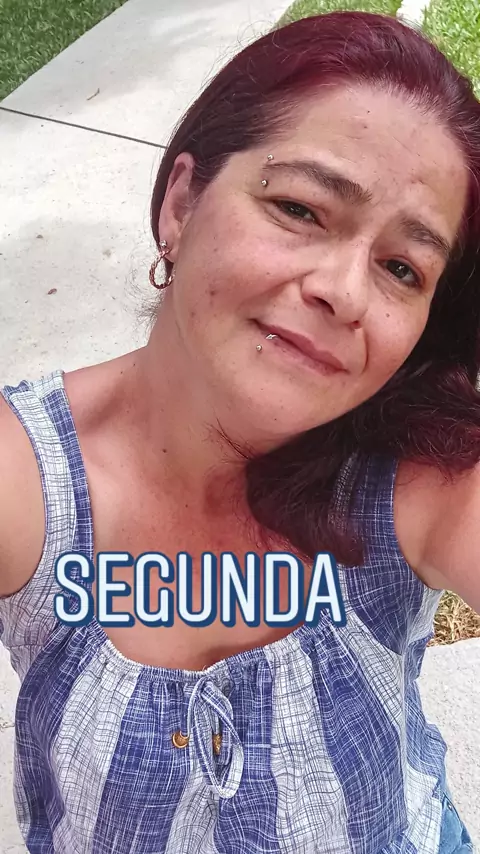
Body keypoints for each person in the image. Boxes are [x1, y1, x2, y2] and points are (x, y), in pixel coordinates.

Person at [0, 9, 479, 853]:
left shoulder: (420, 475)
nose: (345, 291)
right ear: (182, 202)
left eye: (403, 268)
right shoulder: (26, 474)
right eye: (300, 208)